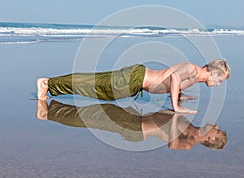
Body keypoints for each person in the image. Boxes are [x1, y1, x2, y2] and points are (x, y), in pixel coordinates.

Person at [37, 59, 230, 113]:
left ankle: (52, 85)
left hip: (136, 80)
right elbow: (175, 79)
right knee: (94, 84)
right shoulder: (192, 69)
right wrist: (176, 107)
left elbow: (175, 82)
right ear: (213, 72)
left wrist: (179, 96)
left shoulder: (196, 75)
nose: (219, 84)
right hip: (135, 79)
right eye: (220, 80)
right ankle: (47, 83)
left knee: (96, 85)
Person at [36, 99, 227, 150]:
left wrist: (175, 121)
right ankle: (54, 108)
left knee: (93, 118)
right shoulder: (192, 128)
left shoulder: (190, 142)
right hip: (136, 119)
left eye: (217, 132)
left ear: (210, 139)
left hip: (134, 128)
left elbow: (171, 144)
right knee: (100, 110)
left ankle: (48, 113)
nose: (216, 126)